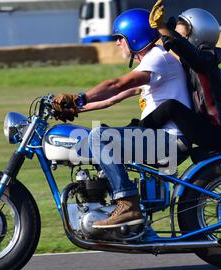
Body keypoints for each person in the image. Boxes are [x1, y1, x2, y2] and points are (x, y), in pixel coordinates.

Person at [52, 8, 193, 228]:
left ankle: (127, 203)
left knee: (100, 137)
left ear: (135, 36)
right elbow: (112, 98)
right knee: (98, 136)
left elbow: (116, 85)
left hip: (170, 142)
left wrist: (79, 98)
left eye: (120, 38)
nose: (117, 43)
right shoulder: (152, 63)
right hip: (162, 138)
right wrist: (74, 109)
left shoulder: (158, 59)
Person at [139, 0, 221, 151]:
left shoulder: (207, 58)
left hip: (217, 132)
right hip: (206, 127)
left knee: (171, 106)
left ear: (196, 35)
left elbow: (192, 55)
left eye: (181, 36)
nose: (175, 39)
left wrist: (163, 27)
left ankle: (136, 131)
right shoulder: (192, 62)